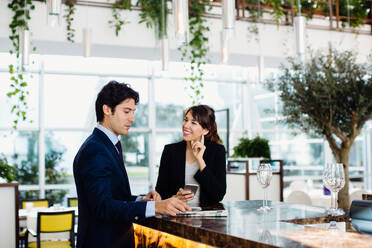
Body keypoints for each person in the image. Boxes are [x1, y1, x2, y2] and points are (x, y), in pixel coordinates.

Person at [73, 81, 190, 248]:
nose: (132, 119)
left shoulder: (107, 144)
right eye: (126, 111)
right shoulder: (95, 150)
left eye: (133, 112)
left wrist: (141, 200)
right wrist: (155, 207)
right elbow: (104, 207)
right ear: (107, 110)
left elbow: (113, 196)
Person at [155, 105, 226, 205]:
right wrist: (175, 197)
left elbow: (218, 195)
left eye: (193, 122)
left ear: (205, 130)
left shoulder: (217, 151)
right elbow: (160, 192)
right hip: (177, 214)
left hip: (205, 216)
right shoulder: (170, 151)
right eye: (185, 120)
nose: (186, 125)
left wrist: (200, 160)